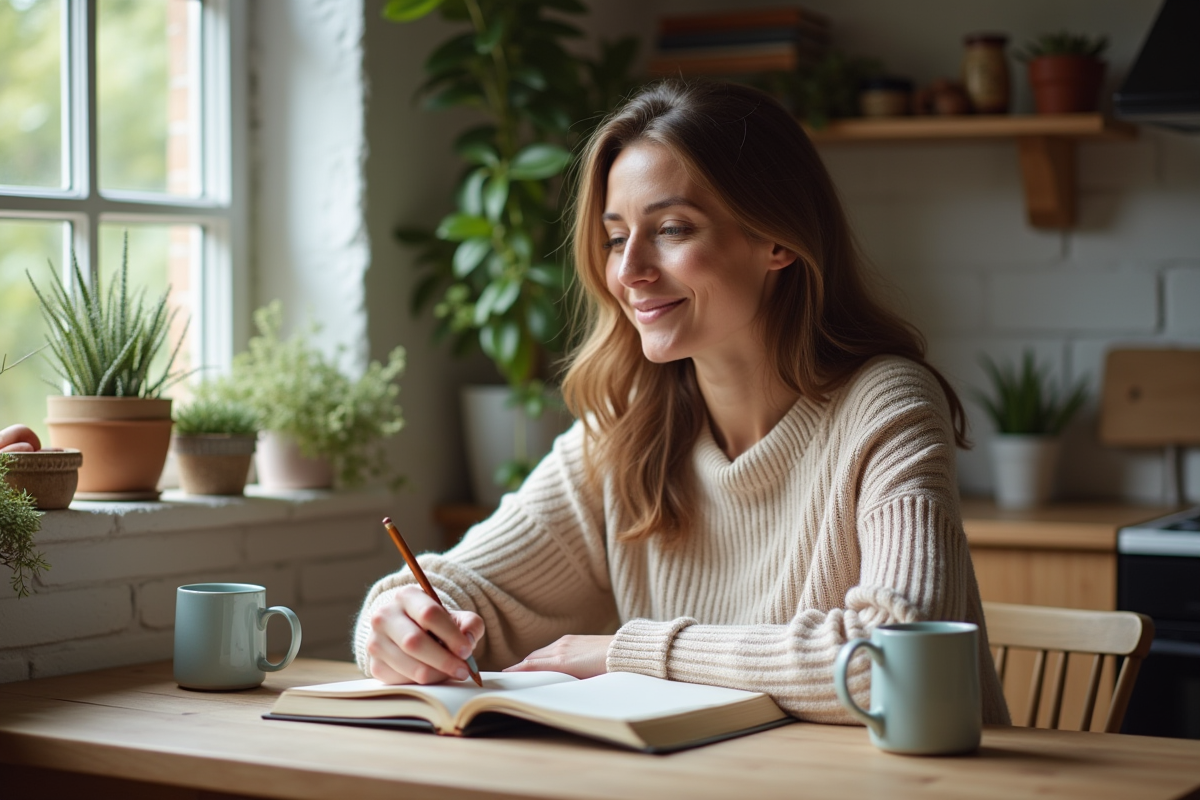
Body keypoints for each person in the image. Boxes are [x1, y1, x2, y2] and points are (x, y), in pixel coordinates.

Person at [355, 79, 1010, 725]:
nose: (630, 270)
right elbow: (469, 593)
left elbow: (896, 658)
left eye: (670, 228)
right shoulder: (627, 425)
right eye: (616, 237)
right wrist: (400, 621)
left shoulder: (886, 405)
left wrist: (629, 652)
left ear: (776, 239)